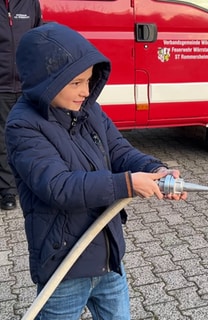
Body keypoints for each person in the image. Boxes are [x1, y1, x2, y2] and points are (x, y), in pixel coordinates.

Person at [5, 22, 187, 319]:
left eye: (88, 81)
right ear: (46, 80)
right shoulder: (23, 126)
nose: (85, 91)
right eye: (75, 82)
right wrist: (127, 185)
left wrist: (156, 169)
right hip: (64, 266)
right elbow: (58, 187)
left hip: (108, 258)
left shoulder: (88, 110)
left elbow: (119, 151)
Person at [0, 0, 42, 210]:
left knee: (32, 136)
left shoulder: (30, 3)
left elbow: (38, 38)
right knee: (3, 139)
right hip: (2, 87)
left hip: (27, 84)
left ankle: (33, 183)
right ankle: (7, 191)